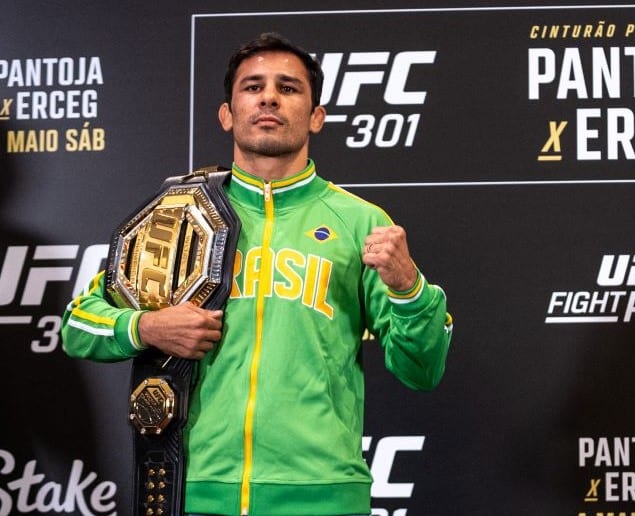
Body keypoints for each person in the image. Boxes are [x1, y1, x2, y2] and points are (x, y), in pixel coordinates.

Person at [62, 33, 453, 515]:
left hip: (322, 498)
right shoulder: (179, 215)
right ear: (227, 113)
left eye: (288, 88)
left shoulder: (362, 222)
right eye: (253, 87)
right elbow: (79, 325)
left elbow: (422, 370)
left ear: (316, 117)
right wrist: (147, 327)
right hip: (198, 492)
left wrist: (409, 288)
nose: (269, 97)